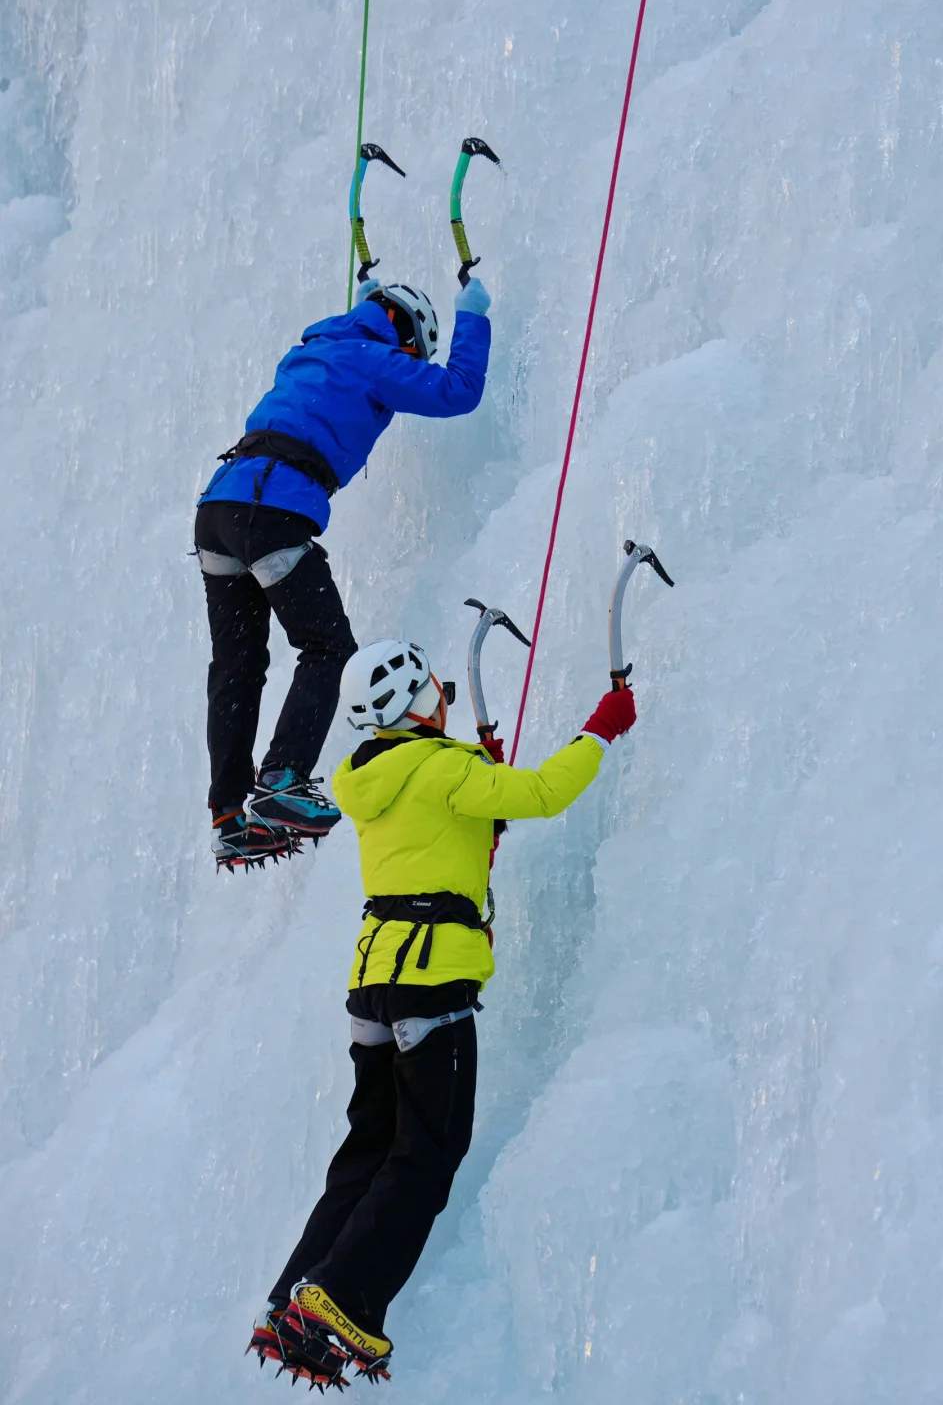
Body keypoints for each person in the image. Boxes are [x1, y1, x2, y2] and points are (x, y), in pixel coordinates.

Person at [246, 637, 637, 1386]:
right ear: (419, 700)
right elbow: (543, 793)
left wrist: (480, 786)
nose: (443, 695)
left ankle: (289, 1303)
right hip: (431, 984)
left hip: (373, 981)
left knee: (366, 1154)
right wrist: (600, 728)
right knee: (425, 1157)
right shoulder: (446, 769)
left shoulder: (368, 777)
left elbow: (441, 827)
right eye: (434, 687)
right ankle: (340, 1300)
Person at [194, 277, 492, 871]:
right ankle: (282, 779)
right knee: (329, 648)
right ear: (404, 334)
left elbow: (334, 379)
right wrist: (473, 317)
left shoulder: (310, 350)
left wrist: (366, 310)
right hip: (271, 510)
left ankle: (229, 817)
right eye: (413, 351)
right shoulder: (373, 358)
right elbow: (457, 391)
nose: (410, 362)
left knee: (237, 666)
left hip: (218, 510)